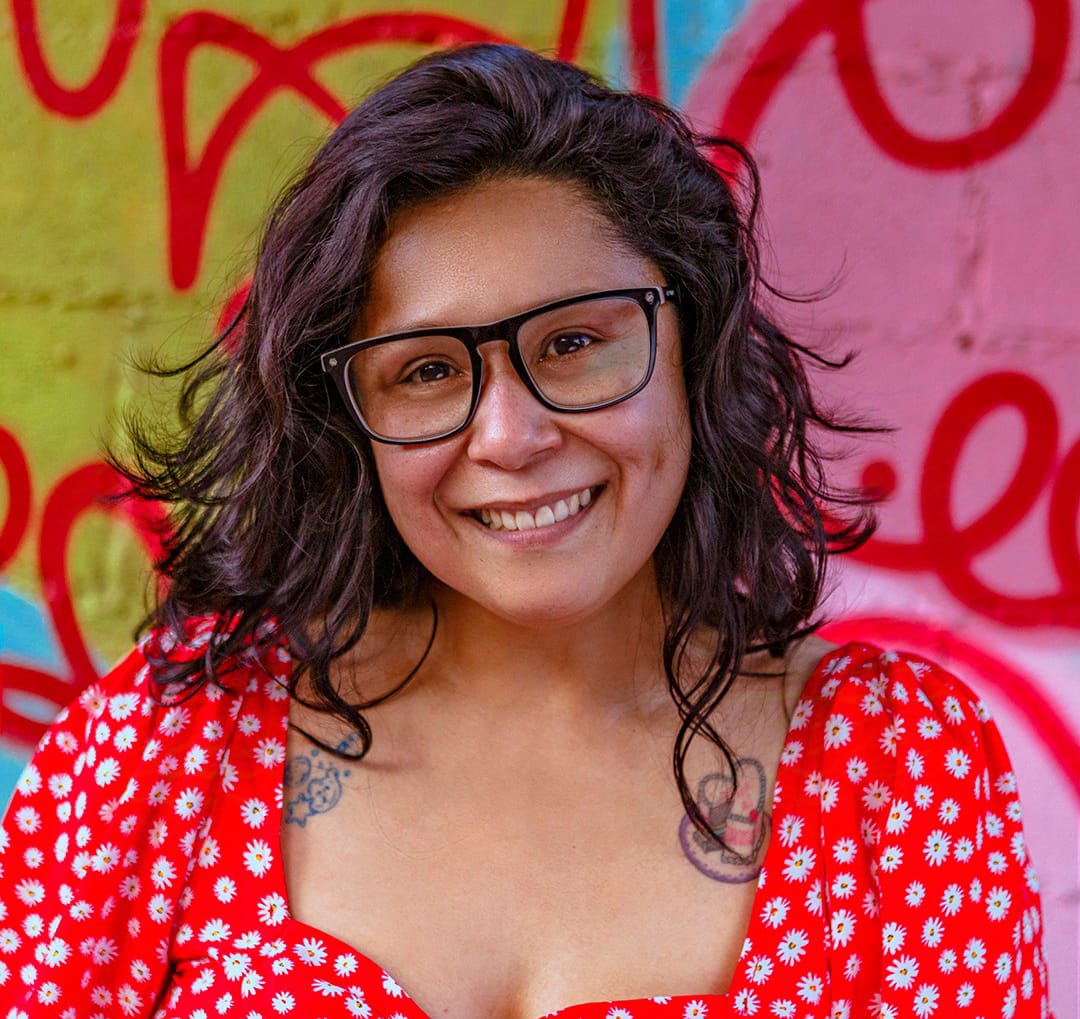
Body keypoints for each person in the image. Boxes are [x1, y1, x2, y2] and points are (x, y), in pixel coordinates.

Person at [0, 43, 1048, 1019]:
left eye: (575, 342)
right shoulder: (165, 751)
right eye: (426, 370)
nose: (511, 435)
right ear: (347, 422)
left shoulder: (897, 770)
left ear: (694, 345)